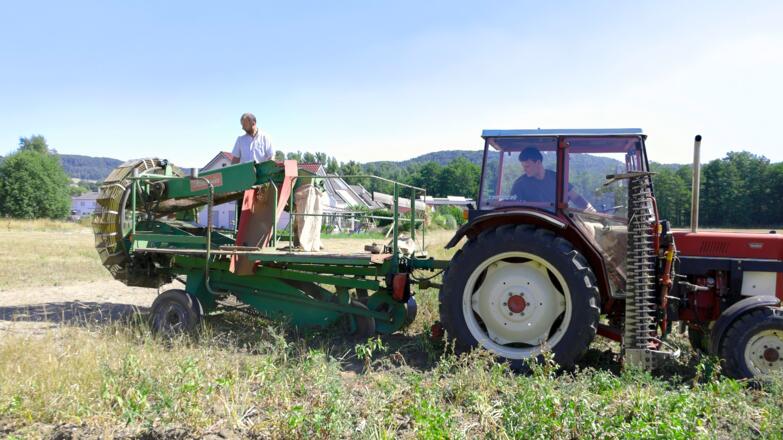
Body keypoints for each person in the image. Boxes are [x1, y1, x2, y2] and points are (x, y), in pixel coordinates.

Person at [511, 147, 594, 211]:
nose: (524, 169)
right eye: (523, 166)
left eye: (527, 166)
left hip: (556, 222)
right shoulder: (519, 184)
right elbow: (514, 207)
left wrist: (589, 209)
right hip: (533, 223)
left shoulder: (556, 178)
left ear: (538, 163)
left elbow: (575, 197)